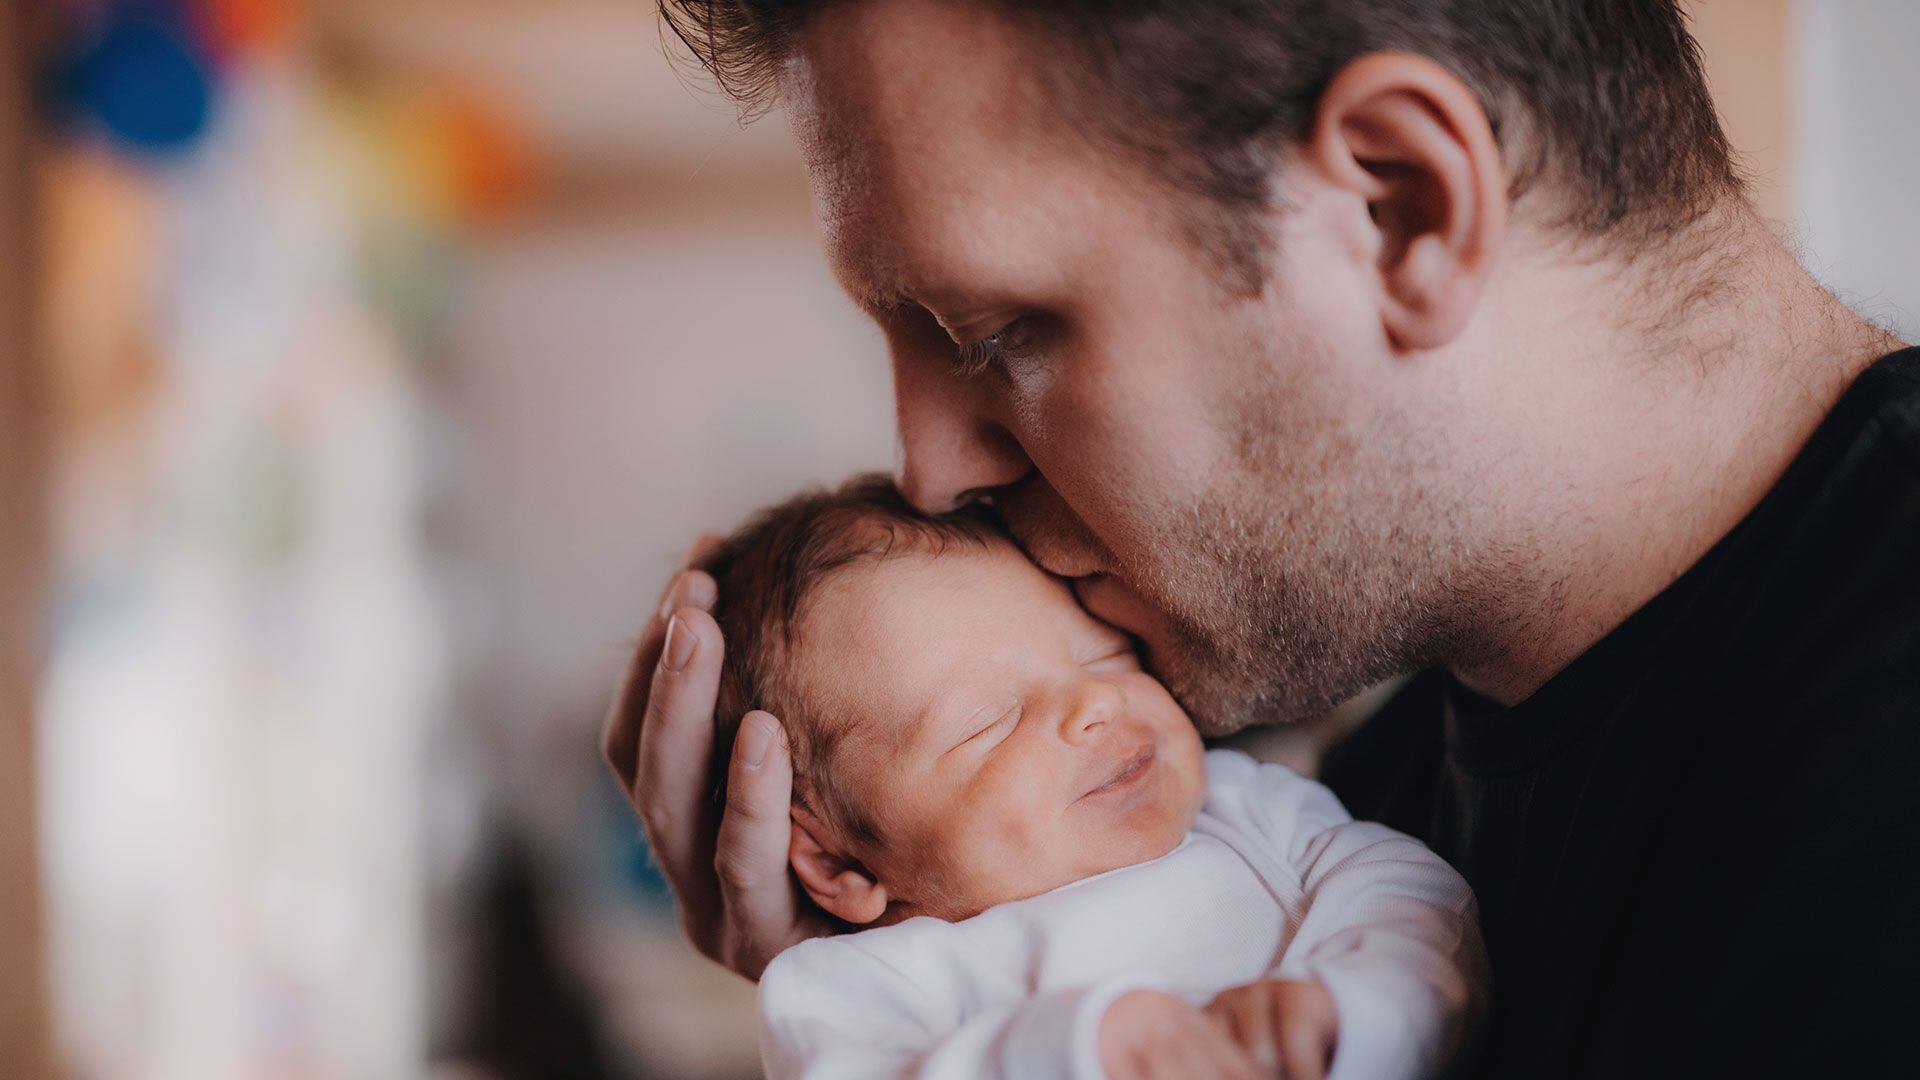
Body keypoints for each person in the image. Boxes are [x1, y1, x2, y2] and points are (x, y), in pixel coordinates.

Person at [603, 1, 1919, 1075]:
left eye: (999, 336)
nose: (930, 474)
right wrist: (925, 995)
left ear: (1398, 207)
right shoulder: (1379, 805)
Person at [691, 475, 1485, 1079]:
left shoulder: (1249, 807)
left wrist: (1352, 1010)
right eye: (988, 721)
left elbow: (1416, 901)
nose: (1095, 702)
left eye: (1103, 653)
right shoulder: (860, 983)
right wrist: (1083, 1046)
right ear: (839, 861)